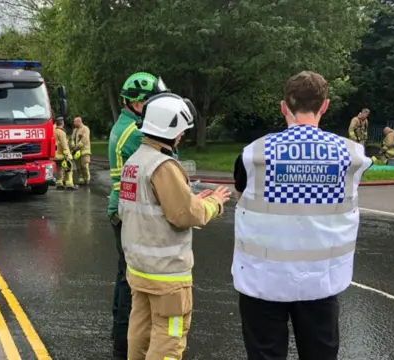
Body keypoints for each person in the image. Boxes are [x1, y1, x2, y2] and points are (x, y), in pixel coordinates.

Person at [232, 71, 372, 360]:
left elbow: (241, 197)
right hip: (321, 281)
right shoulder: (353, 156)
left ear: (284, 107)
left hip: (262, 281)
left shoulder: (253, 155)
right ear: (325, 106)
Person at [118, 92, 230, 359]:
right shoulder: (163, 165)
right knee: (170, 338)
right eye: (181, 130)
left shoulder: (135, 162)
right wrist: (214, 202)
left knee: (140, 333)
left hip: (139, 269)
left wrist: (189, 199)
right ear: (171, 128)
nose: (182, 136)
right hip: (167, 276)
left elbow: (149, 208)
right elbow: (186, 215)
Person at [107, 72, 169, 359]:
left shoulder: (128, 125)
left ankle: (120, 336)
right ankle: (123, 341)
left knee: (124, 274)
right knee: (129, 279)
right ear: (134, 103)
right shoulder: (134, 133)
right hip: (127, 213)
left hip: (122, 211)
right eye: (150, 102)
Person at [53, 117, 74, 190]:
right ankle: (69, 185)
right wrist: (67, 155)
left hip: (54, 155)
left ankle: (59, 184)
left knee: (59, 169)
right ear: (62, 123)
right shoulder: (61, 132)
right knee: (69, 168)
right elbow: (64, 144)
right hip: (60, 154)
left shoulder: (53, 131)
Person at [70, 116, 91, 185]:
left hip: (85, 150)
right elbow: (72, 138)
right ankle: (81, 180)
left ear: (79, 121)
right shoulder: (75, 130)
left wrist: (77, 146)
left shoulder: (85, 129)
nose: (74, 123)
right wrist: (72, 144)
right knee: (78, 167)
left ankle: (87, 179)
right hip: (77, 152)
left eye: (75, 122)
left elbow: (84, 139)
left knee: (84, 165)